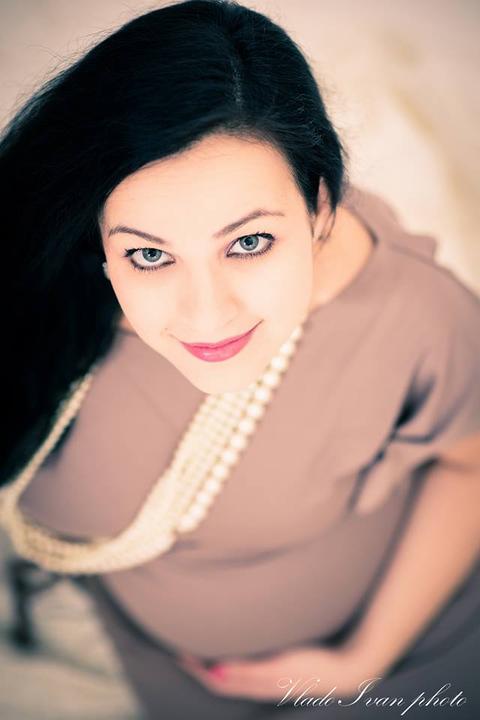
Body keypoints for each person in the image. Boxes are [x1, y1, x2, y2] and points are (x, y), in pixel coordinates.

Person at [1, 1, 479, 718]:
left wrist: (363, 659)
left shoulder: (414, 313)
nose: (206, 314)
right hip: (160, 670)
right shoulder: (40, 286)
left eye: (249, 243)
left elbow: (471, 462)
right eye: (149, 254)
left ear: (320, 209)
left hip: (409, 665)